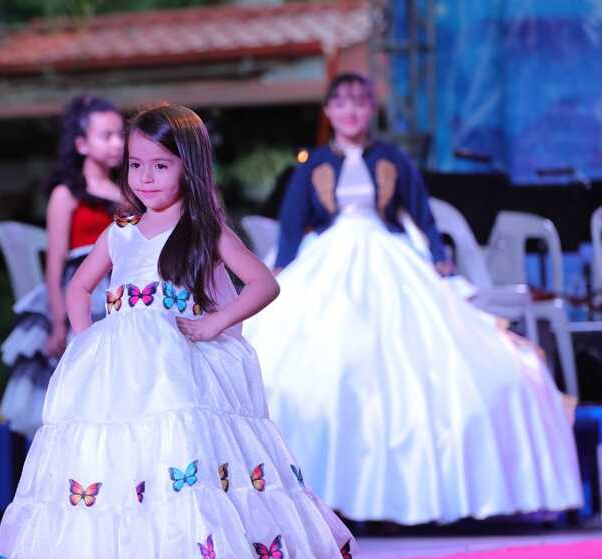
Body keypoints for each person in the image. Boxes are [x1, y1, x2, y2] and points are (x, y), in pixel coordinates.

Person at [0, 104, 374, 559]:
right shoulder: (121, 230)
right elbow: (79, 285)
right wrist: (87, 338)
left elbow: (263, 283)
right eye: (136, 165)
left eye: (160, 165)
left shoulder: (202, 227)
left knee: (182, 466)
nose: (145, 177)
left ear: (187, 166)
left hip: (179, 366)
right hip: (119, 370)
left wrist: (216, 321)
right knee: (116, 471)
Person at [244, 72, 583, 526]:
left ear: (371, 109)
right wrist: (283, 266)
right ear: (328, 111)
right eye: (341, 104)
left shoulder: (393, 159)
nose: (351, 112)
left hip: (389, 255)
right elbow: (291, 222)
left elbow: (422, 215)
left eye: (360, 103)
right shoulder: (313, 164)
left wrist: (440, 260)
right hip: (329, 256)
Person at [0, 96, 124, 439]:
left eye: (120, 135)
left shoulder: (127, 194)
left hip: (122, 290)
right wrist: (58, 321)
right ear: (82, 143)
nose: (117, 143)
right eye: (107, 136)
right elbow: (54, 264)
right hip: (82, 294)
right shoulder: (66, 195)